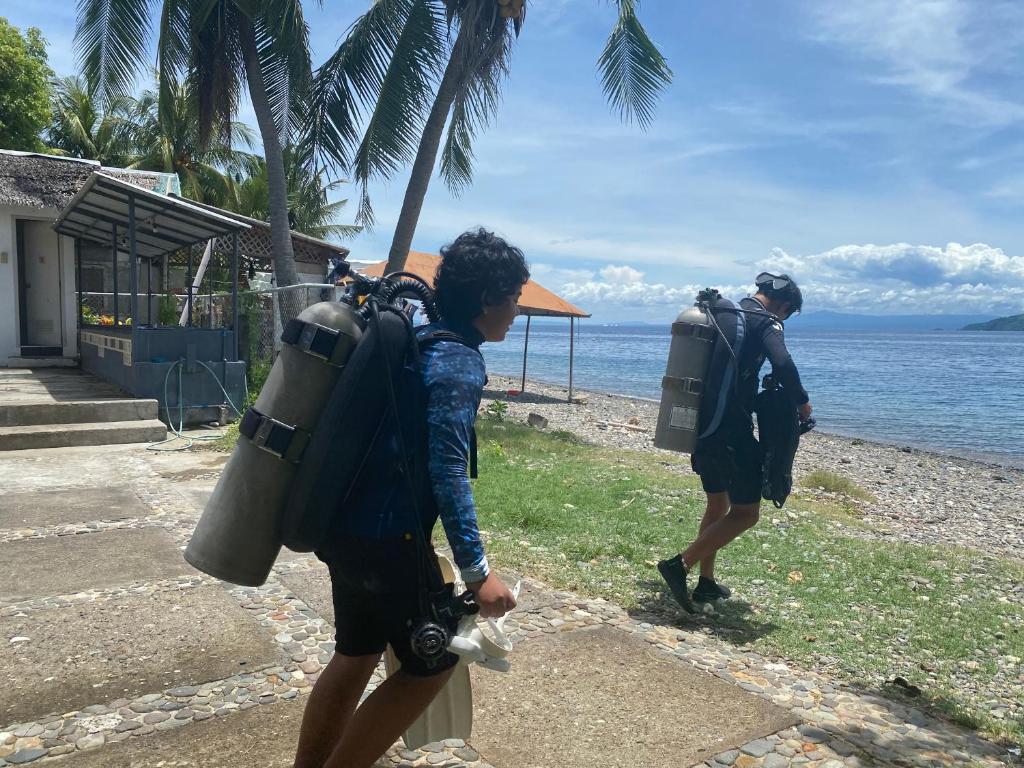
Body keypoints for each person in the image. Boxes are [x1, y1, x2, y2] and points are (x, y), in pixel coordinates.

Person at [293, 229, 527, 768]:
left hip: (344, 526)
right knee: (433, 661)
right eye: (514, 298)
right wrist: (477, 572)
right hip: (388, 539)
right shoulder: (458, 361)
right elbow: (448, 469)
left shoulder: (418, 341)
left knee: (356, 654)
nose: (516, 312)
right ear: (488, 299)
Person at [658, 272, 812, 613]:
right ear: (785, 306)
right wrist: (802, 402)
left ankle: (706, 582)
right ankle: (680, 565)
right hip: (731, 431)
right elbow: (783, 362)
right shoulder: (765, 322)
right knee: (745, 513)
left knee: (717, 505)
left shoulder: (724, 314)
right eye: (787, 314)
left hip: (701, 426)